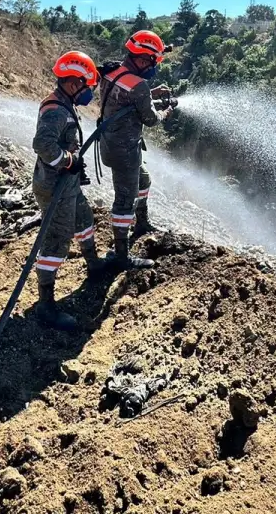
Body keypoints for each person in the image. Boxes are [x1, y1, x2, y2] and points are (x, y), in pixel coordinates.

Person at [30, 51, 103, 330]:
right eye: (87, 86)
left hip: (67, 183)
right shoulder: (57, 110)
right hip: (55, 186)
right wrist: (69, 160)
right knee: (57, 242)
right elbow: (43, 145)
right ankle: (46, 305)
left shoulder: (64, 103)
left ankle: (94, 264)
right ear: (73, 83)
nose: (89, 93)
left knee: (84, 220)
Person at [97, 30, 174, 270]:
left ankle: (142, 223)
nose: (152, 67)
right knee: (124, 201)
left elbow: (122, 98)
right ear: (141, 59)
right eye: (152, 61)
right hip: (125, 151)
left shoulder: (112, 72)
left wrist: (151, 93)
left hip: (111, 143)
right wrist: (166, 111)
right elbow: (150, 119)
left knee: (144, 181)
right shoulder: (138, 85)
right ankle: (122, 257)